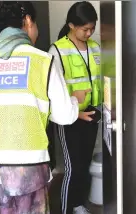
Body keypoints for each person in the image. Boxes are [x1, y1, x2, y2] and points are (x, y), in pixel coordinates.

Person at [0, 1, 90, 213]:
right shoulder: (42, 60)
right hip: (25, 170)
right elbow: (66, 115)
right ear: (28, 21)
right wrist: (74, 99)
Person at [48, 2, 101, 214]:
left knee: (85, 163)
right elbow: (52, 92)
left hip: (91, 115)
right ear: (71, 25)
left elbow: (100, 81)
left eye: (92, 28)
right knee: (73, 168)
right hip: (70, 118)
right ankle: (63, 209)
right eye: (84, 29)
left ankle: (78, 204)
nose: (89, 33)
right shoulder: (58, 50)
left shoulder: (96, 48)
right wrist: (75, 112)